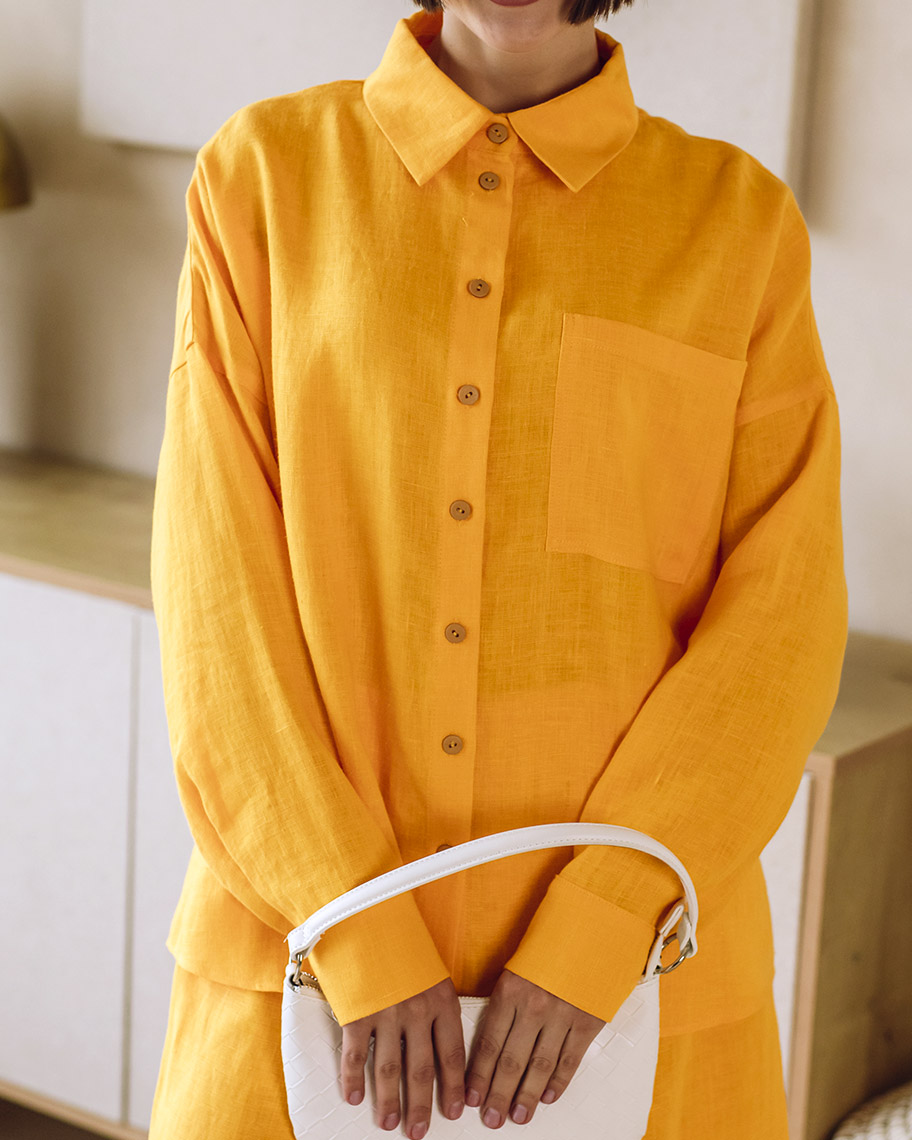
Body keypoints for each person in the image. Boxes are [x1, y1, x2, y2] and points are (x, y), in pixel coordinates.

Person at [147, 1, 848, 1137]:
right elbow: (215, 601)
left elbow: (783, 618)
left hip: (637, 1002)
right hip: (301, 968)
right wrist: (355, 921)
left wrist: (601, 923)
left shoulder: (742, 225)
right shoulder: (261, 177)